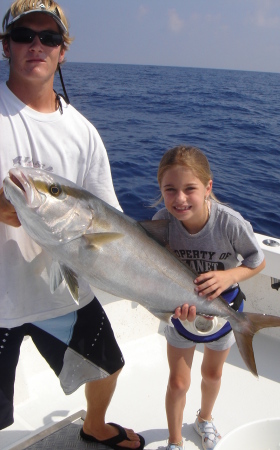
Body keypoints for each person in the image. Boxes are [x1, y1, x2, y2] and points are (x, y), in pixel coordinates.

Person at [0, 1, 145, 448]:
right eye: (25, 35)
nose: (36, 45)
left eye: (49, 37)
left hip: (58, 288)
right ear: (6, 46)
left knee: (108, 366)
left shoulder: (83, 132)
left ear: (64, 51)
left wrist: (165, 293)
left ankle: (94, 426)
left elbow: (110, 223)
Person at [153, 145, 266, 450]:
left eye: (190, 189)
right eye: (170, 189)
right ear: (161, 190)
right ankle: (175, 441)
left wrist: (229, 276)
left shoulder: (229, 223)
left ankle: (204, 419)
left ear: (208, 187)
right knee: (178, 382)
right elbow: (156, 272)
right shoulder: (161, 223)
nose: (180, 198)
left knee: (212, 374)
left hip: (224, 314)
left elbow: (257, 260)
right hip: (182, 316)